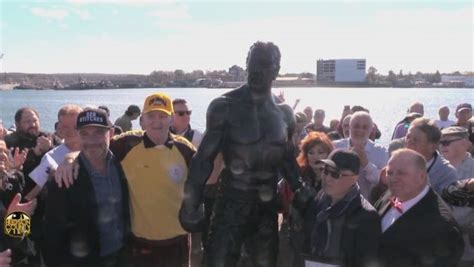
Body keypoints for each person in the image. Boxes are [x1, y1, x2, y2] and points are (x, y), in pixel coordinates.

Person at [179, 41, 306, 266]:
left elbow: (287, 159)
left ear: (276, 70)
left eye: (264, 65)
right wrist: (190, 202)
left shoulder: (285, 114)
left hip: (266, 205)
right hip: (231, 200)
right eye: (252, 63)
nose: (256, 70)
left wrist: (300, 188)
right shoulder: (225, 106)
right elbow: (203, 160)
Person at [43, 108, 130, 267]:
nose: (91, 141)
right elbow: (53, 235)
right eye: (84, 134)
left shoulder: (123, 162)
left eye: (98, 132)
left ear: (110, 133)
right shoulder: (64, 178)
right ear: (78, 136)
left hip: (122, 256)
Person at [376, 149, 464, 267]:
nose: (393, 178)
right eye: (390, 172)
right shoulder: (393, 193)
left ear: (422, 176)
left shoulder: (443, 229)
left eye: (401, 173)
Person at [302, 149, 380, 267]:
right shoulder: (318, 199)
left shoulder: (367, 216)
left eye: (335, 174)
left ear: (354, 178)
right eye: (325, 171)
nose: (327, 178)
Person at [26, 105, 83, 200]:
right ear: (59, 127)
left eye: (75, 126)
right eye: (65, 127)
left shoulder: (93, 150)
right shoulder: (50, 156)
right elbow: (38, 189)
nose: (70, 131)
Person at [439, 126, 474, 267]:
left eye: (447, 142)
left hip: (467, 249)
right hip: (438, 246)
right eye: (440, 142)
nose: (442, 146)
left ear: (466, 143)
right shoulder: (435, 168)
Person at [333, 111, 388, 199]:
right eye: (356, 126)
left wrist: (366, 163)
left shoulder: (381, 152)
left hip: (370, 203)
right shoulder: (335, 146)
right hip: (339, 201)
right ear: (350, 127)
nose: (360, 130)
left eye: (365, 127)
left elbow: (383, 181)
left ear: (371, 130)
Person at [405, 117, 459, 194]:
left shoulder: (446, 174)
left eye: (415, 140)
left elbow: (446, 204)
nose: (408, 142)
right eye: (408, 137)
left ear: (432, 147)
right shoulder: (398, 163)